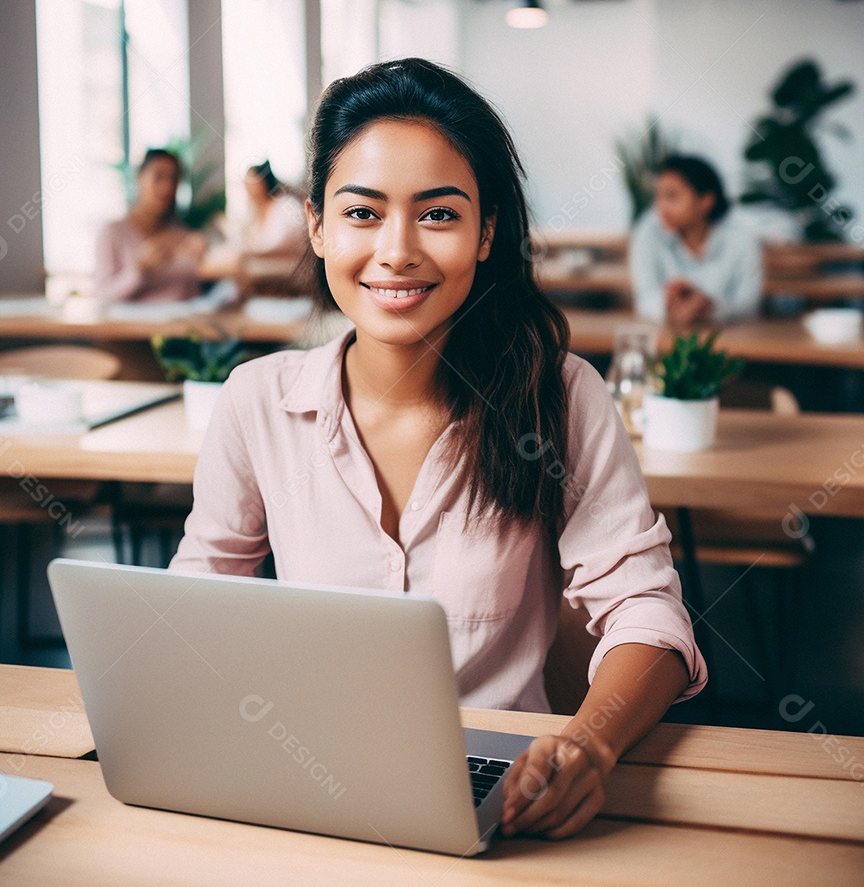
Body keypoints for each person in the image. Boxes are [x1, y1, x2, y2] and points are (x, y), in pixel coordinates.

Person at [170, 58, 706, 841]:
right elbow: (195, 608)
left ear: (487, 232)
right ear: (316, 225)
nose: (397, 251)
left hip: (504, 787)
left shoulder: (557, 396)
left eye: (439, 215)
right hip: (300, 783)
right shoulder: (256, 400)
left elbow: (645, 609)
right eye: (362, 213)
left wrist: (589, 742)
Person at [629, 154, 763, 326]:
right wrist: (668, 304)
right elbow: (645, 298)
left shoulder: (741, 240)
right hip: (667, 338)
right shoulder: (649, 231)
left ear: (706, 201)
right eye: (658, 196)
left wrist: (711, 307)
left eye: (672, 196)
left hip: (728, 341)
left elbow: (749, 306)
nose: (661, 206)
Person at [95, 149, 206, 306]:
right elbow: (103, 297)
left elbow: (193, 295)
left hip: (179, 326)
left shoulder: (185, 237)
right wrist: (139, 269)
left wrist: (205, 260)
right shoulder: (112, 233)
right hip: (132, 329)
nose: (167, 187)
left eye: (174, 180)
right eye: (159, 177)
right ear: (139, 177)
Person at [241, 160, 308, 258]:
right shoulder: (254, 213)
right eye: (246, 183)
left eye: (252, 182)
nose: (248, 188)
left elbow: (296, 243)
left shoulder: (286, 206)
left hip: (286, 267)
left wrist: (252, 252)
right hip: (262, 267)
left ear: (263, 182)